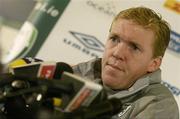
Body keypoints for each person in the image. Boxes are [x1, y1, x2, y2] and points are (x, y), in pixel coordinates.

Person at [72, 6, 179, 119]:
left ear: (154, 64)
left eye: (134, 47)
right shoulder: (76, 74)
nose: (117, 53)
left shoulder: (159, 105)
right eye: (114, 39)